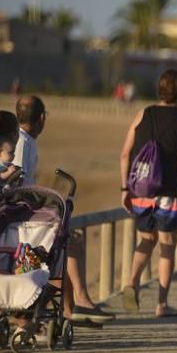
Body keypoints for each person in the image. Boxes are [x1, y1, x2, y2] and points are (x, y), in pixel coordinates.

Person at [13, 95, 115, 326]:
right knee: (69, 241)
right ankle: (79, 302)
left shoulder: (23, 141)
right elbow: (18, 187)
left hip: (22, 215)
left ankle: (71, 308)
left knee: (68, 239)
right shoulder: (23, 143)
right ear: (41, 118)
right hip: (21, 220)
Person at [119, 69, 177, 317]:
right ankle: (162, 304)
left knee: (146, 240)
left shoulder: (143, 114)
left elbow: (125, 154)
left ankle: (132, 282)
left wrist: (125, 187)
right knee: (167, 245)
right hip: (168, 194)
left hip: (140, 191)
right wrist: (169, 176)